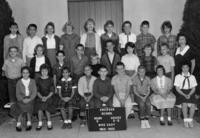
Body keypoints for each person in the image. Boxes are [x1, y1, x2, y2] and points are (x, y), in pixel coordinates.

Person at [174, 62, 198, 128]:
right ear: (181, 68)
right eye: (183, 67)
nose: (185, 69)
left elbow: (194, 88)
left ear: (189, 68)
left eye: (186, 67)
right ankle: (185, 120)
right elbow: (177, 88)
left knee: (193, 104)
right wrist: (184, 95)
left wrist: (189, 94)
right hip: (181, 92)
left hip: (190, 92)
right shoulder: (178, 76)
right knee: (184, 103)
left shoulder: (192, 77)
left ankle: (190, 120)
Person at [15, 67, 37, 132]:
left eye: (27, 73)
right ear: (21, 74)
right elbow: (17, 93)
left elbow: (34, 92)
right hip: (21, 99)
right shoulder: (19, 82)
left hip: (30, 98)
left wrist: (29, 99)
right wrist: (22, 99)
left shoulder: (33, 81)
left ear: (29, 74)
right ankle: (18, 123)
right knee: (20, 106)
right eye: (23, 73)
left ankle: (29, 123)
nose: (25, 74)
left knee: (28, 105)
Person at [35, 64, 55, 131]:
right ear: (40, 71)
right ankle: (40, 123)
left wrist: (46, 97)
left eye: (45, 71)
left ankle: (49, 122)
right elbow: (37, 91)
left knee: (46, 106)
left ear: (48, 71)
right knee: (40, 108)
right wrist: (41, 97)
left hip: (49, 96)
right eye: (42, 71)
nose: (44, 72)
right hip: (40, 96)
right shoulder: (38, 79)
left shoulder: (51, 79)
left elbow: (52, 91)